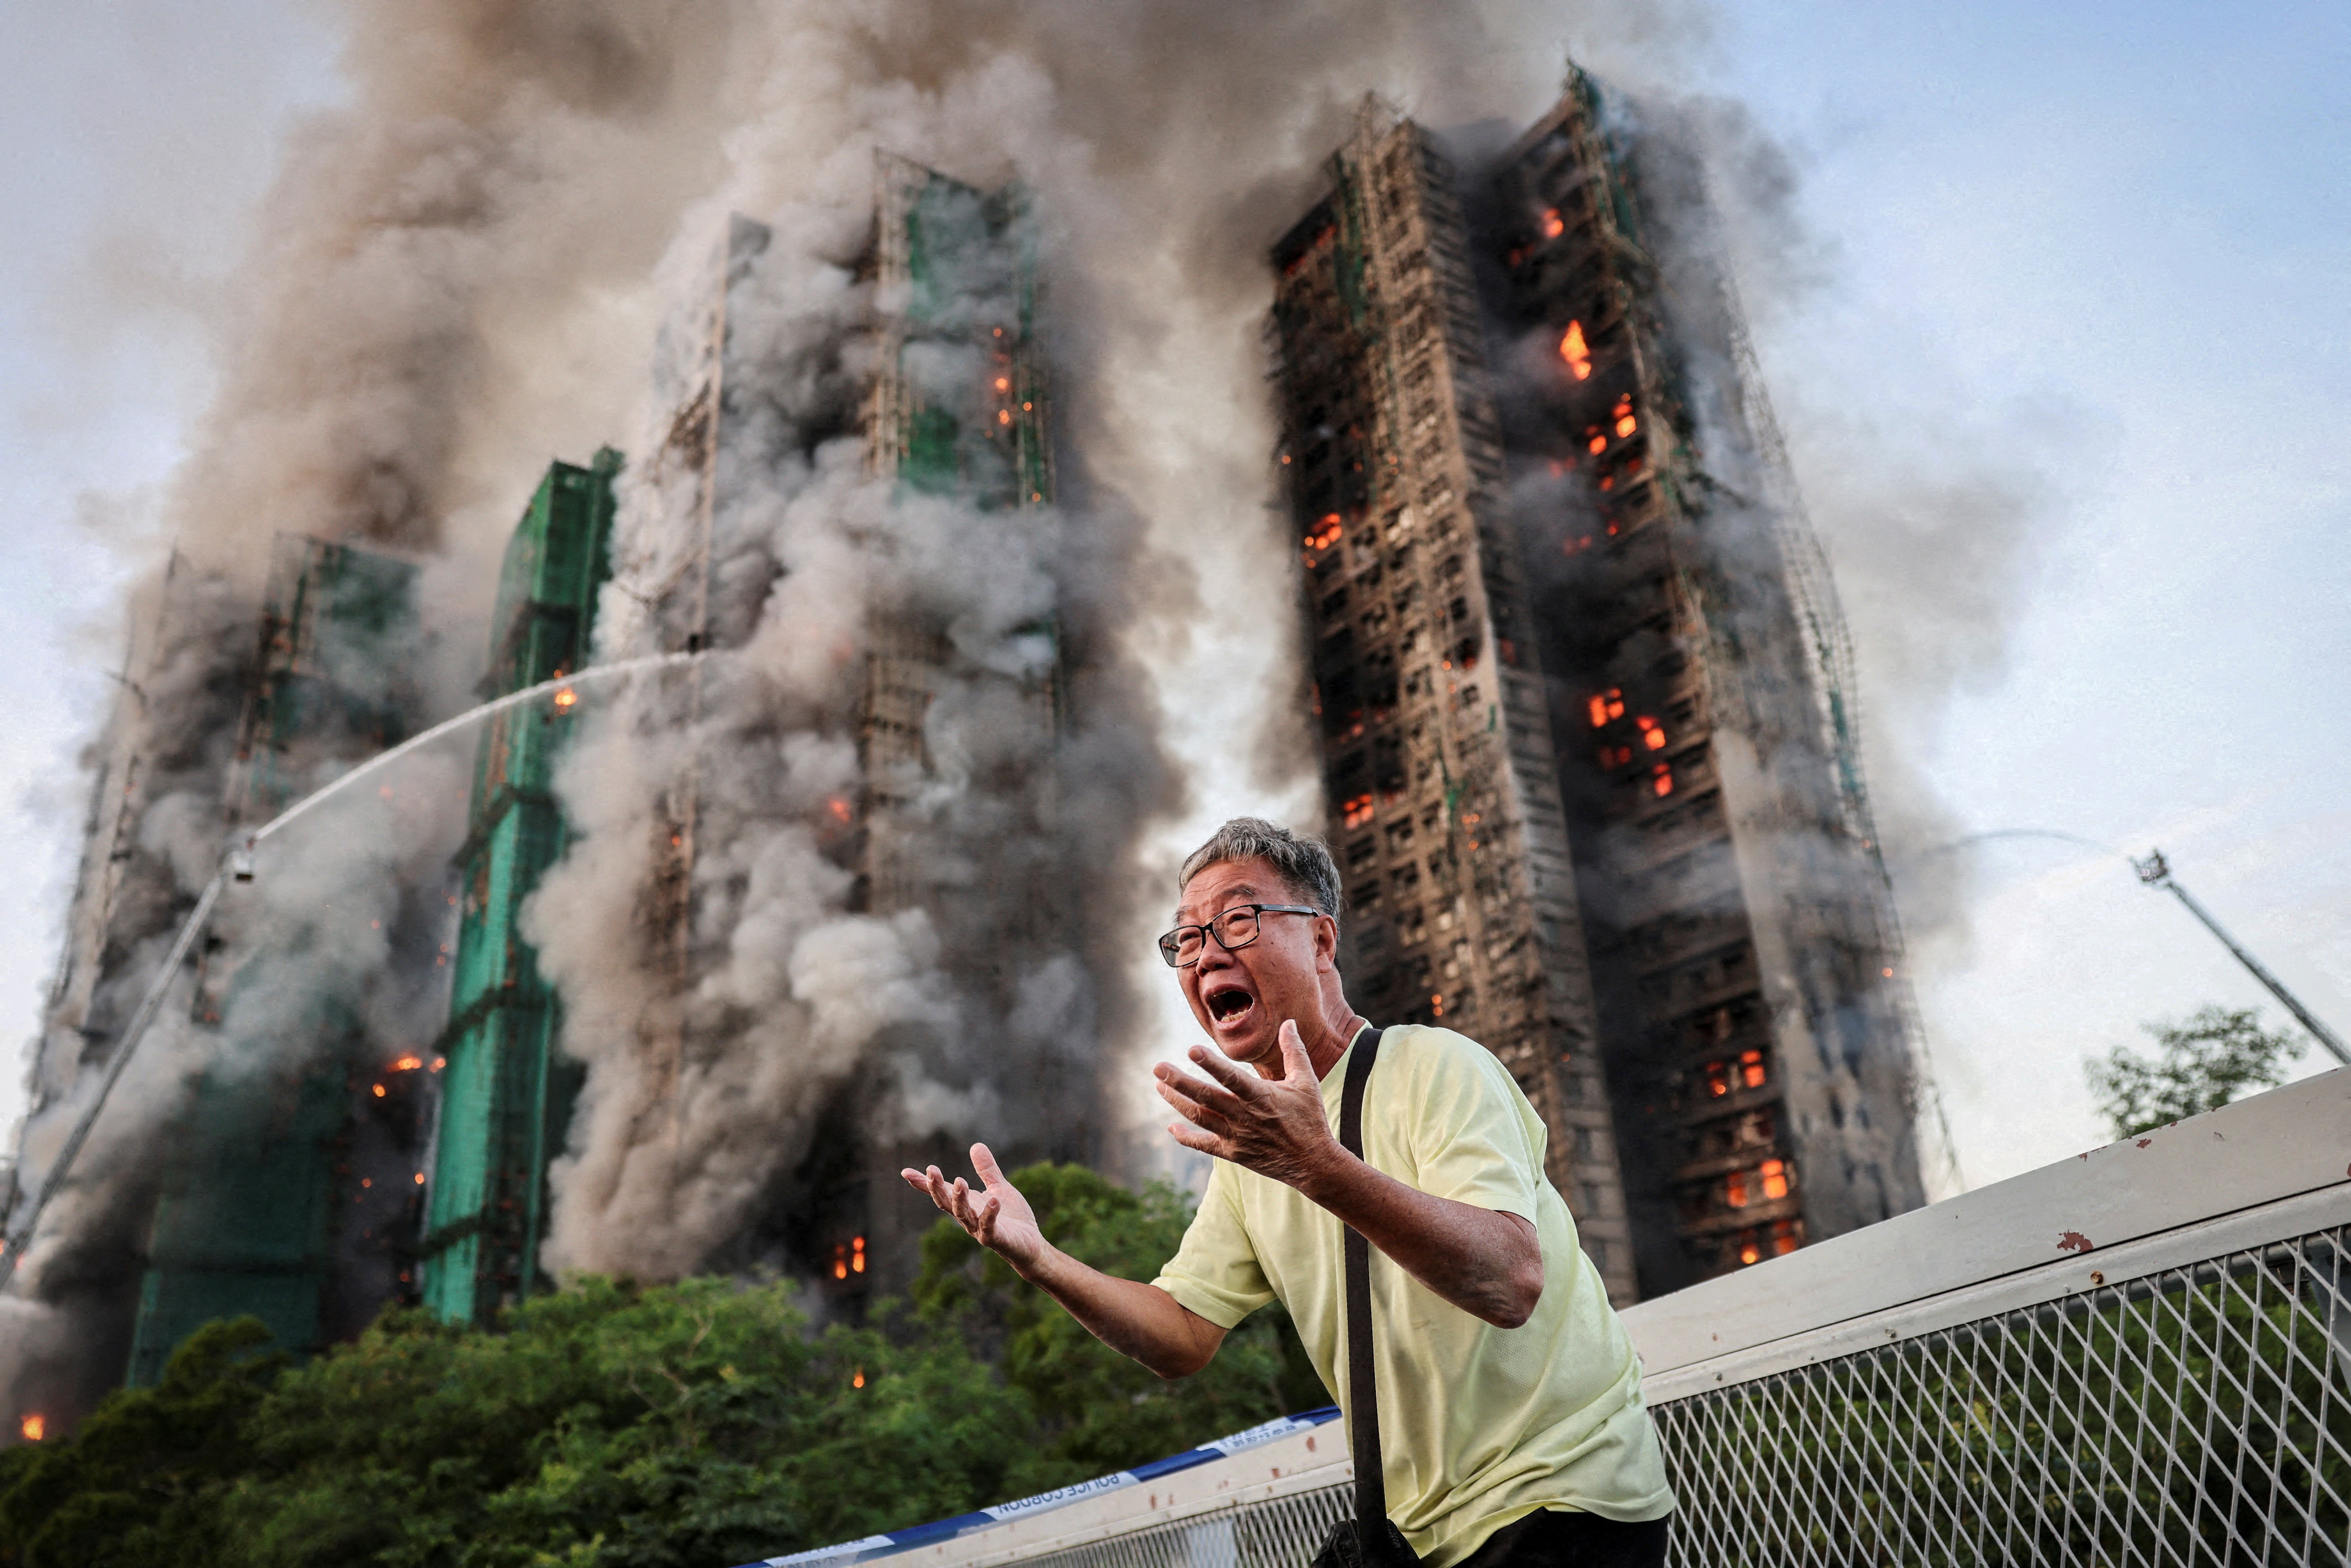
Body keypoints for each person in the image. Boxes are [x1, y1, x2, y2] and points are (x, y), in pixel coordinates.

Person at [904, 817, 1674, 1568]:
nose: (1207, 953)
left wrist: (1316, 1164)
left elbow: (1510, 1281)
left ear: (1321, 938)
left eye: (1238, 919)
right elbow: (1181, 1333)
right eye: (1187, 938)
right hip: (1417, 1534)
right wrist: (1040, 1259)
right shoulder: (1252, 1153)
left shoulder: (1436, 1067)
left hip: (1561, 1499)